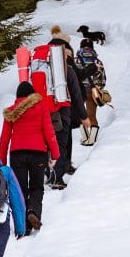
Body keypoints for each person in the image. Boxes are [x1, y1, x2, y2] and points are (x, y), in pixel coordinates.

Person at [0, 81, 59, 232]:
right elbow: (49, 131)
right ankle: (33, 211)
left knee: (20, 190)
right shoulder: (41, 107)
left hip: (17, 154)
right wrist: (55, 154)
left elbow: (4, 138)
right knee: (37, 187)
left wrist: (1, 163)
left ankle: (24, 227)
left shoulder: (11, 112)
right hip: (38, 153)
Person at [45, 25, 88, 189]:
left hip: (43, 110)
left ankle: (49, 173)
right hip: (62, 110)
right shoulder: (66, 68)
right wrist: (84, 116)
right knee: (61, 143)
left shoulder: (43, 66)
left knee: (48, 142)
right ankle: (56, 177)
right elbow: (76, 92)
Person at [75, 38, 107, 146]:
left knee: (80, 114)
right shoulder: (98, 62)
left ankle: (85, 138)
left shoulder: (76, 60)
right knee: (92, 115)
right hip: (92, 92)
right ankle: (92, 139)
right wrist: (98, 87)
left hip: (78, 91)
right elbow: (102, 80)